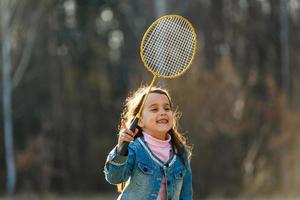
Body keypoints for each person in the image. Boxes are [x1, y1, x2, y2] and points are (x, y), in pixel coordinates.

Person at [103, 85, 193, 200]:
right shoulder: (134, 148)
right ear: (140, 120)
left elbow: (186, 194)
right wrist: (121, 149)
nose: (162, 112)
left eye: (167, 108)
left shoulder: (180, 151)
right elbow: (113, 177)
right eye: (154, 109)